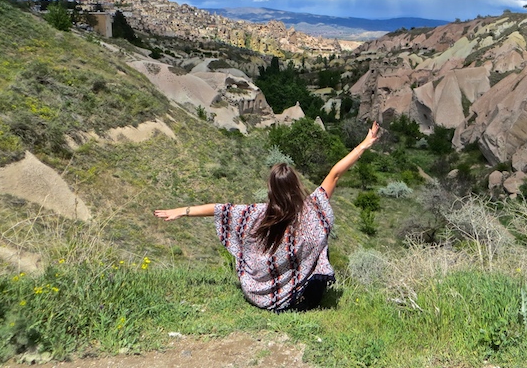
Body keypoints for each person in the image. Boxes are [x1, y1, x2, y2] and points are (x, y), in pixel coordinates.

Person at [154, 121, 380, 312]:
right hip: (305, 300)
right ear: (296, 184)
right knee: (320, 246)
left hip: (263, 298)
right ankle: (298, 286)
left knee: (251, 247)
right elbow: (336, 173)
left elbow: (219, 209)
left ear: (271, 188)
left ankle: (278, 287)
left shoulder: (259, 214)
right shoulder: (314, 208)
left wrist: (182, 211)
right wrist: (364, 144)